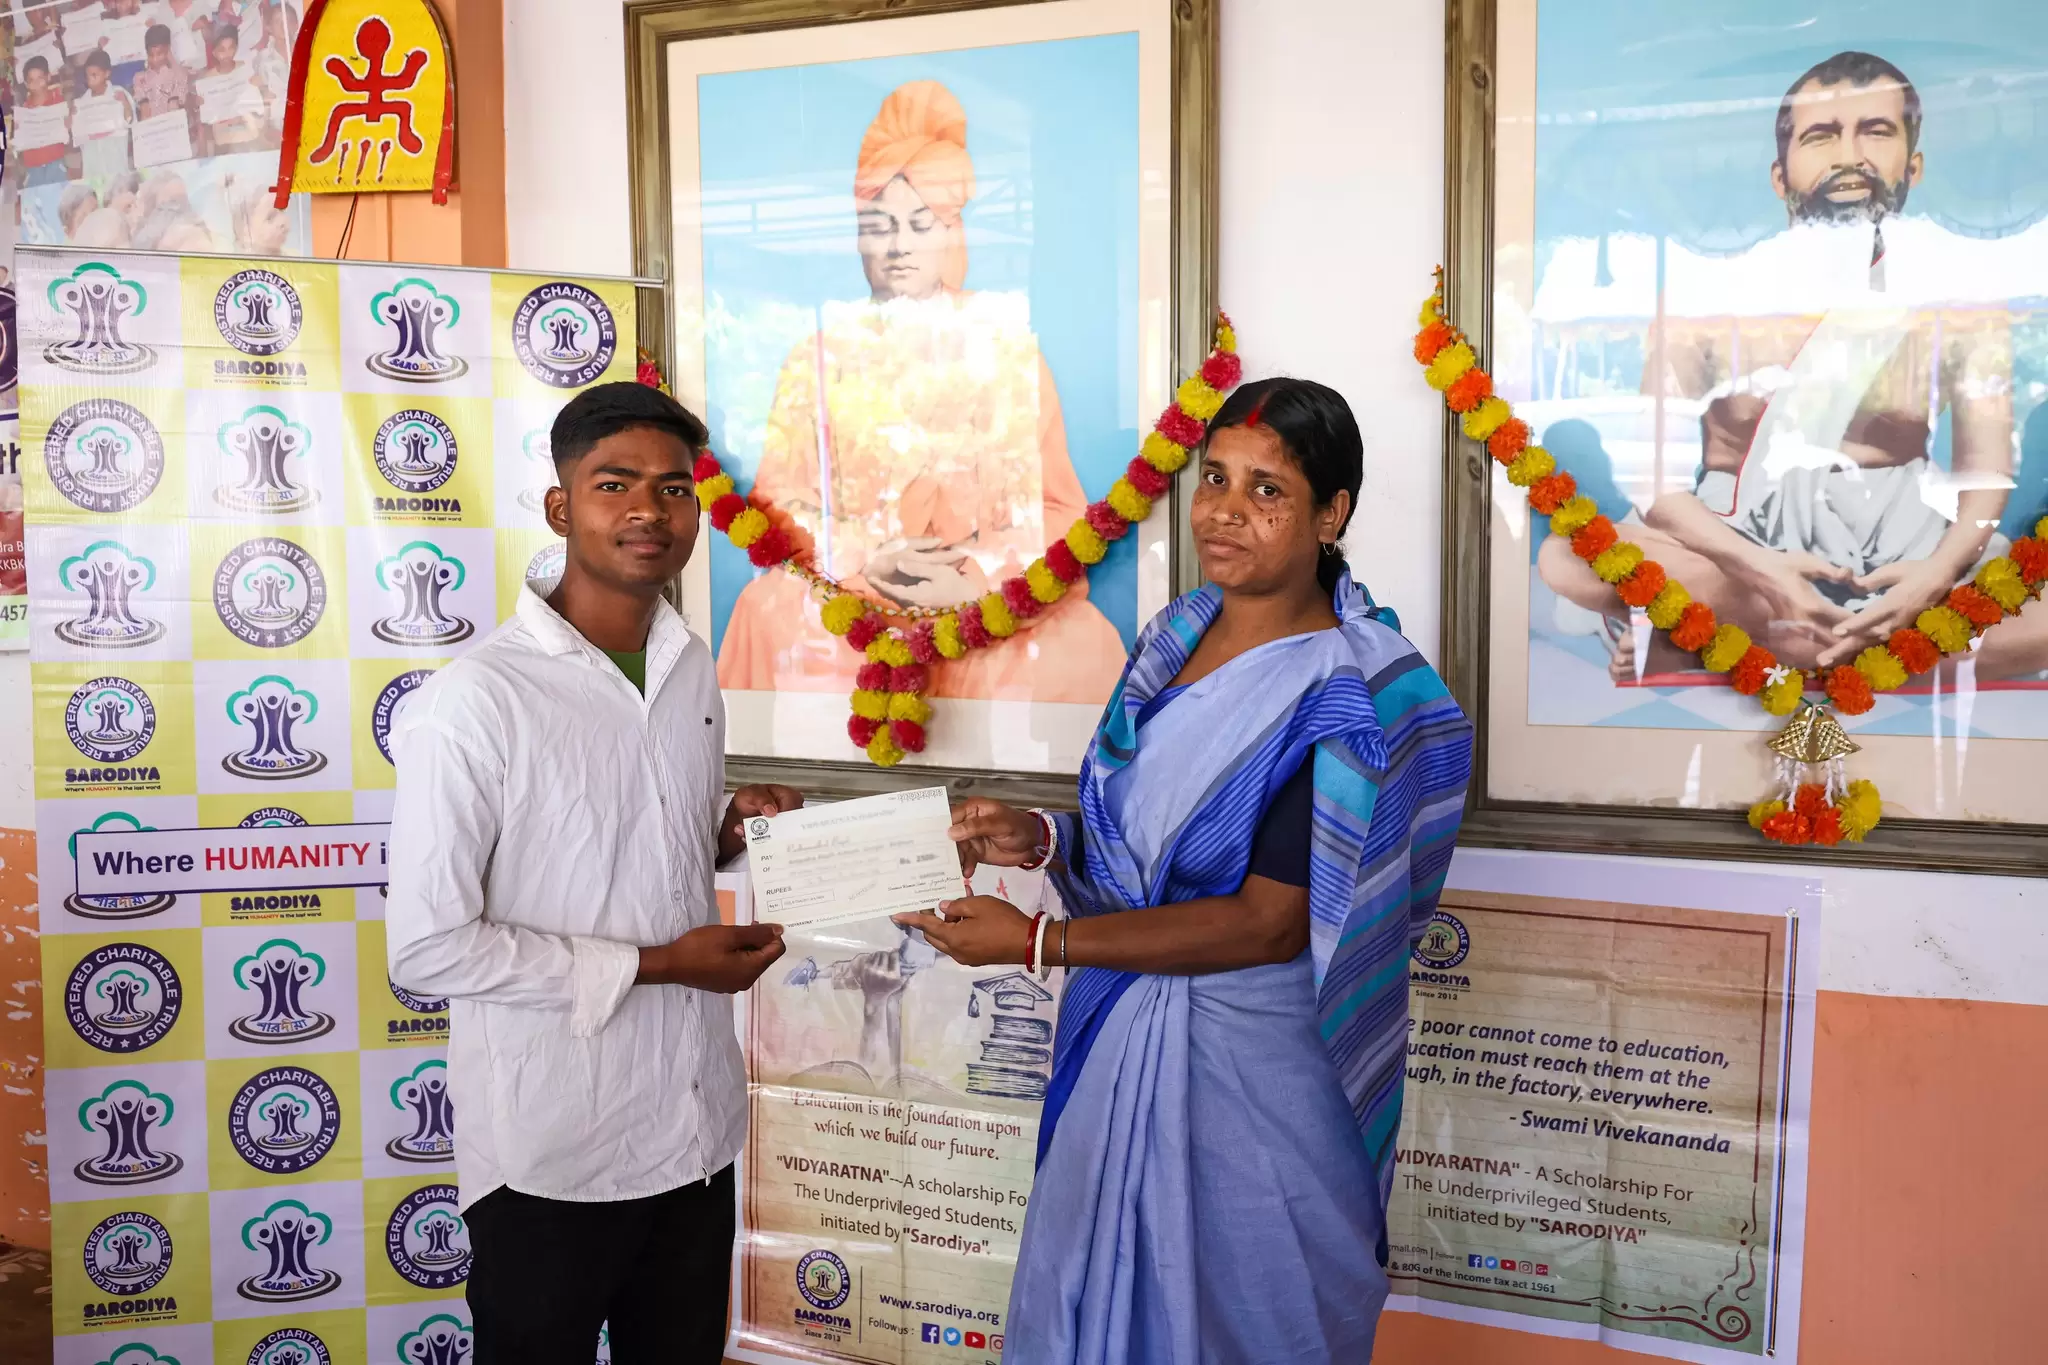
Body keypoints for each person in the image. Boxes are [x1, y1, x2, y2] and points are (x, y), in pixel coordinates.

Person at [895, 378, 1474, 1363]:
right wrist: (1038, 837)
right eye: (1214, 479)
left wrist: (1037, 941)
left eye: (1266, 490)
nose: (1224, 510)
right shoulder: (1171, 642)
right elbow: (1151, 850)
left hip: (1259, 1077)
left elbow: (1266, 921)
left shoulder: (1357, 690)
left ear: (1330, 514)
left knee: (1253, 1318)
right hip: (1123, 1035)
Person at [385, 382, 801, 1365]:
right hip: (553, 1150)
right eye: (615, 484)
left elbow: (633, 848)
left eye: (673, 489)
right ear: (560, 507)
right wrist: (664, 964)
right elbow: (429, 948)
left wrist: (727, 828)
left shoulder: (689, 666)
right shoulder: (477, 700)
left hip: (692, 1132)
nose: (649, 510)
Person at [1539, 51, 2014, 677]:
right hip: (1738, 552)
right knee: (1568, 557)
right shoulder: (1704, 298)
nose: (1850, 155)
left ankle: (1724, 639)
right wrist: (1765, 572)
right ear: (1780, 175)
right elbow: (1655, 484)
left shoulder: (1961, 306)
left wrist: (1935, 575)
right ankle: (1856, 647)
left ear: (1913, 165)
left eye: (1876, 131)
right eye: (1822, 136)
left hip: (1902, 552)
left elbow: (1987, 476)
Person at [715, 79, 1128, 704]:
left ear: (950, 232)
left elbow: (1056, 509)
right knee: (765, 611)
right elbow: (780, 502)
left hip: (978, 596)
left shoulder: (1007, 351)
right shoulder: (816, 358)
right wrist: (864, 558)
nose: (899, 245)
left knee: (1080, 644)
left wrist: (976, 578)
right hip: (853, 588)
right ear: (858, 237)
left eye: (919, 223)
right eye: (879, 225)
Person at [75, 49, 137, 184]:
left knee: (117, 187)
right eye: (87, 75)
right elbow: (78, 135)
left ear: (107, 74)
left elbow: (129, 121)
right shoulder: (82, 102)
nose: (90, 79)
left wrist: (125, 103)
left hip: (115, 158)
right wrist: (72, 118)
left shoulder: (118, 93)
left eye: (94, 75)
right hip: (93, 162)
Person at [18, 56, 74, 190]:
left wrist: (69, 122)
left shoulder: (59, 102)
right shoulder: (23, 111)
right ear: (26, 84)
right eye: (31, 80)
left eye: (40, 78)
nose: (36, 84)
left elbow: (67, 133)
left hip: (56, 162)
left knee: (59, 198)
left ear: (48, 77)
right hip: (32, 167)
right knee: (36, 200)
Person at [132, 24, 195, 121]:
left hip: (174, 125)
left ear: (168, 50)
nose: (155, 59)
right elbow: (142, 106)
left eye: (159, 54)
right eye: (151, 55)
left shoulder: (179, 75)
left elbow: (180, 104)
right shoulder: (140, 78)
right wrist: (143, 104)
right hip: (151, 126)